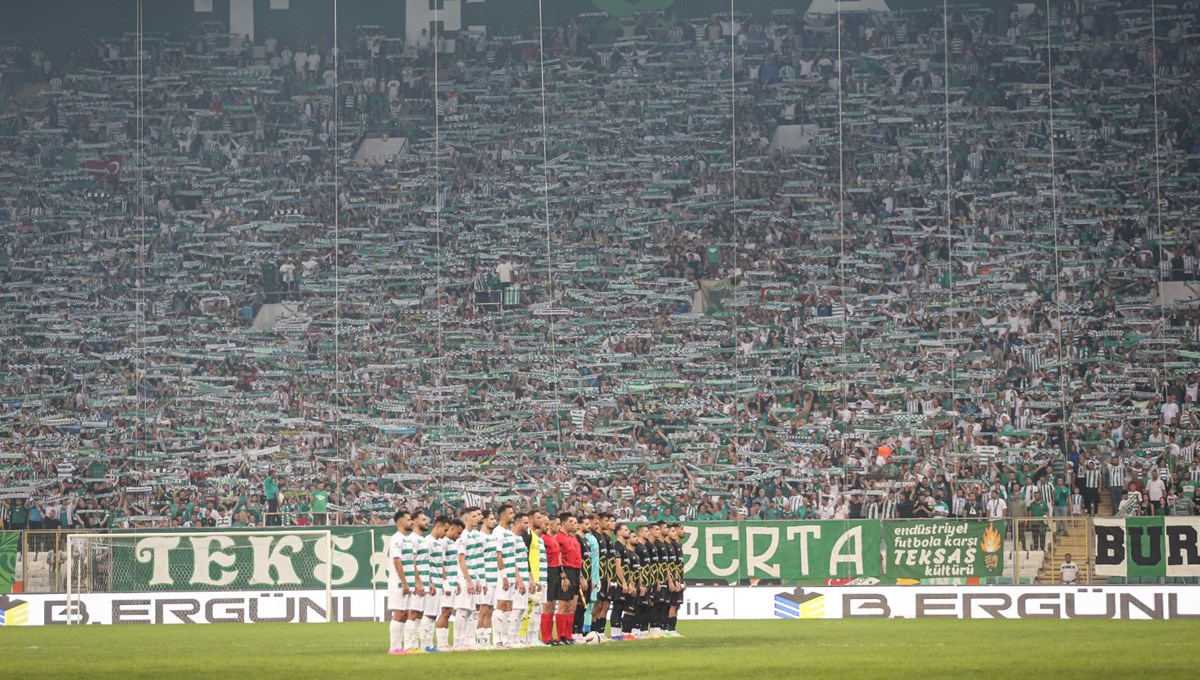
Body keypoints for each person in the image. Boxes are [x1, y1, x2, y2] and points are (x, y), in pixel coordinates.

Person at [386, 509, 416, 655]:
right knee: (398, 613)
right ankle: (393, 647)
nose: (412, 522)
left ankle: (401, 647)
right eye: (409, 519)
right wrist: (404, 583)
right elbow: (397, 561)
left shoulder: (407, 539)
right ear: (401, 522)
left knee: (405, 614)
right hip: (399, 583)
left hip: (408, 583)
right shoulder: (396, 538)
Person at [553, 513, 583, 644]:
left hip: (576, 572)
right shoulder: (558, 537)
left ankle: (568, 635)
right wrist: (562, 575)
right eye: (571, 521)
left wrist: (581, 576)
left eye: (575, 522)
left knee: (572, 606)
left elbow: (578, 559)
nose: (574, 524)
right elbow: (558, 558)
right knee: (563, 605)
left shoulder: (574, 538)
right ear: (563, 523)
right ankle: (561, 636)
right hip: (566, 571)